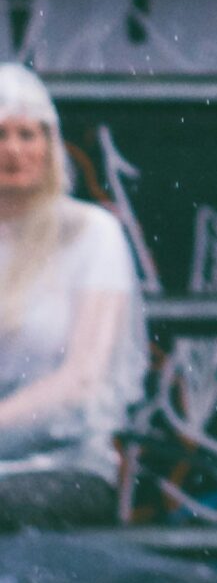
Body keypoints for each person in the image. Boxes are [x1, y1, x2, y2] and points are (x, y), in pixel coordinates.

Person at [0, 66, 147, 528]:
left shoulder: (91, 235)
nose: (13, 150)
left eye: (28, 133)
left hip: (65, 467)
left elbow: (83, 379)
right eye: (0, 134)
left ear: (50, 145)